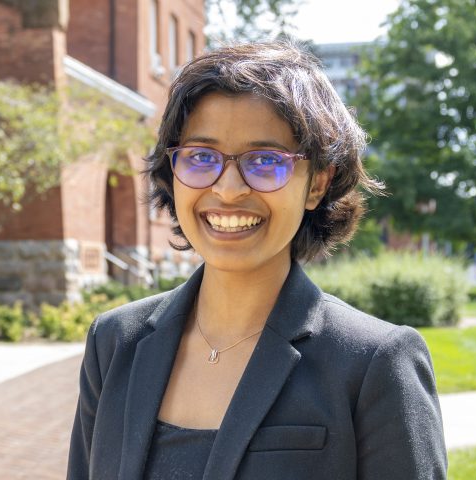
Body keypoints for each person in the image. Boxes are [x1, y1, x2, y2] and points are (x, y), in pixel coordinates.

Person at [67, 40, 447, 480]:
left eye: (266, 160)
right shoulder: (114, 342)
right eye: (202, 157)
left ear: (317, 184)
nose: (228, 189)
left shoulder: (373, 362)